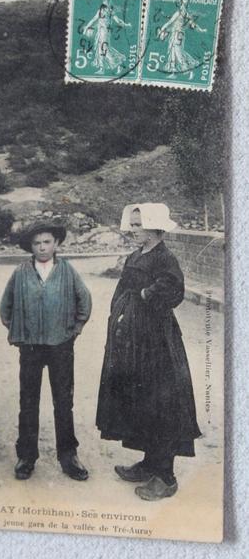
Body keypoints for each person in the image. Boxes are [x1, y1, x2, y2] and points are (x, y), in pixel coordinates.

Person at [96, 203, 201, 501]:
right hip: (132, 340)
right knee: (139, 400)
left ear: (155, 227)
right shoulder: (136, 254)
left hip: (156, 343)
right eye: (133, 224)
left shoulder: (165, 258)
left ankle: (166, 477)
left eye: (139, 224)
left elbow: (174, 290)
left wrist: (146, 294)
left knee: (161, 404)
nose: (133, 229)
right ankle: (148, 464)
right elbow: (123, 288)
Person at [0, 220, 92, 481]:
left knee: (63, 401)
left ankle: (69, 456)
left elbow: (84, 300)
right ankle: (26, 456)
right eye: (37, 243)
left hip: (60, 346)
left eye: (47, 242)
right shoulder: (20, 272)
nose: (42, 247)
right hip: (30, 347)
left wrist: (75, 328)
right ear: (30, 247)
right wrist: (20, 329)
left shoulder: (67, 271)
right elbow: (6, 307)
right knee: (28, 402)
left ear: (57, 244)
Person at [158, 0, 207, 80]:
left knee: (178, 53)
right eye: (183, 4)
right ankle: (173, 72)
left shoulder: (179, 13)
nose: (183, 6)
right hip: (177, 34)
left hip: (177, 35)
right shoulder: (187, 14)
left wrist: (162, 28)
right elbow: (194, 25)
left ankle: (189, 71)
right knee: (172, 53)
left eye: (184, 4)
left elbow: (170, 22)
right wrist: (201, 30)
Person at [84, 0, 131, 74]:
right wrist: (86, 28)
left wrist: (126, 25)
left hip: (105, 32)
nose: (107, 2)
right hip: (100, 32)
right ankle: (102, 69)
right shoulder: (100, 10)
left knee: (105, 49)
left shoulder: (111, 11)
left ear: (110, 2)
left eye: (108, 0)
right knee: (100, 49)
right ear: (103, 1)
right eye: (105, 0)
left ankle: (119, 64)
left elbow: (118, 21)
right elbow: (94, 19)